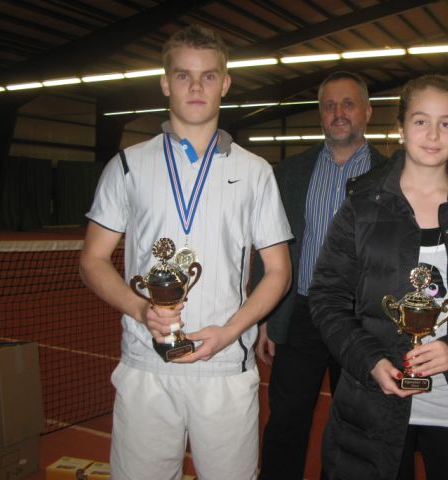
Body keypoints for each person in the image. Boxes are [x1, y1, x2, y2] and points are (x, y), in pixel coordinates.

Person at [79, 24, 292, 480]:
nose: (196, 87)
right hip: (145, 367)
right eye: (183, 76)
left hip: (225, 369)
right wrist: (142, 309)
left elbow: (278, 271)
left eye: (208, 76)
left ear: (225, 84)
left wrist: (230, 332)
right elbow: (92, 260)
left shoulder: (256, 172)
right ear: (165, 83)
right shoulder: (127, 165)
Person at [308, 74, 448, 479]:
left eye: (445, 123)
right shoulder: (362, 203)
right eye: (420, 121)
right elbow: (327, 297)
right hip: (374, 402)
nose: (433, 135)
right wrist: (369, 359)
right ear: (400, 127)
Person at [255, 71, 388, 480]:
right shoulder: (288, 173)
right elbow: (268, 247)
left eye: (348, 104)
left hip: (363, 321)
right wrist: (265, 316)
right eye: (329, 105)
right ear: (320, 114)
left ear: (367, 111)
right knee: (286, 420)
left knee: (357, 427)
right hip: (301, 315)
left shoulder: (395, 176)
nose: (338, 112)